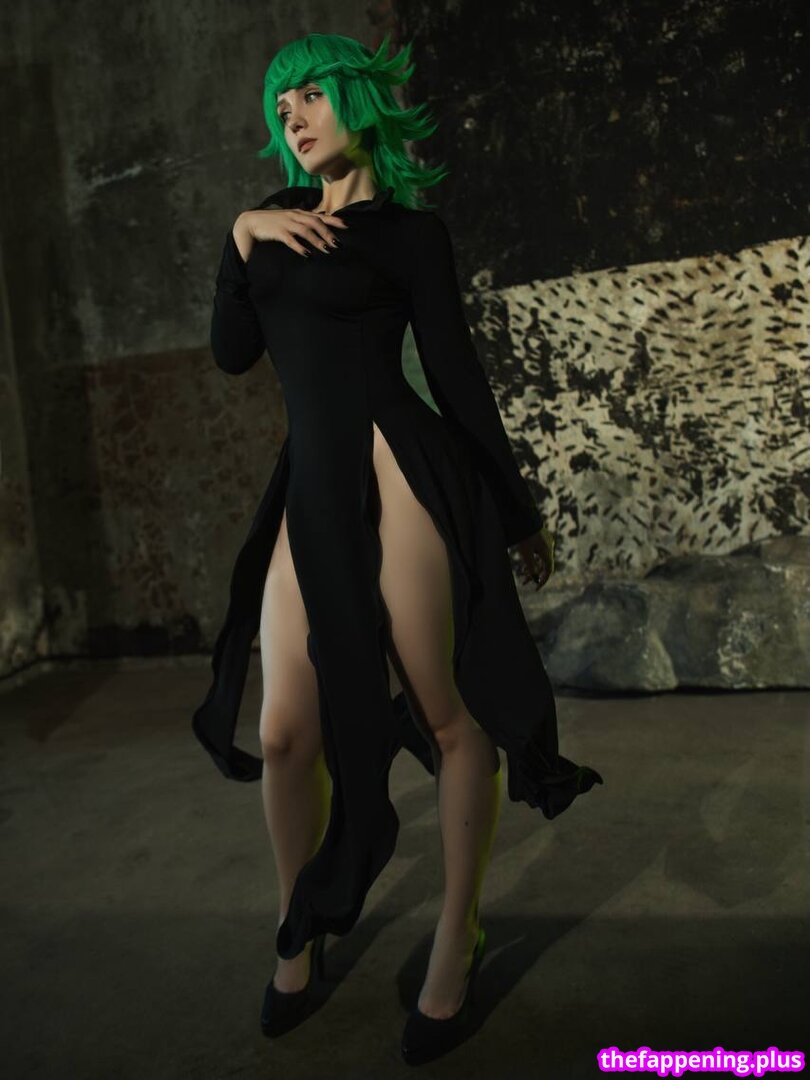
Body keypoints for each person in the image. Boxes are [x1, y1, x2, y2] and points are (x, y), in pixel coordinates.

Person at [191, 30, 603, 1065]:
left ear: (359, 98)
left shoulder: (414, 235)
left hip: (395, 466)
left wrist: (516, 513)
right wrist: (240, 235)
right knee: (286, 732)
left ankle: (458, 934)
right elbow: (233, 354)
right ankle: (300, 927)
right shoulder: (269, 223)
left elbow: (456, 375)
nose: (291, 115)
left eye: (309, 93)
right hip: (311, 483)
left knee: (446, 717)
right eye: (279, 104)